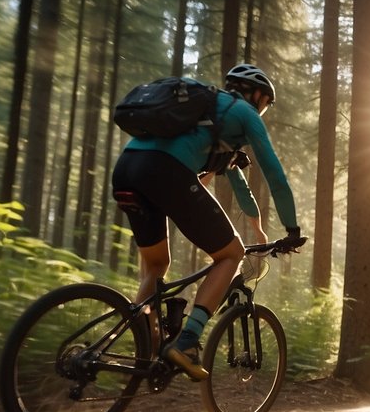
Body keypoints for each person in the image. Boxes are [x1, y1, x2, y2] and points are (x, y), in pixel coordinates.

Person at [111, 63, 304, 381]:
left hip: (127, 169)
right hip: (165, 172)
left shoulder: (207, 116)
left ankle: (146, 351)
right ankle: (186, 343)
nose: (264, 109)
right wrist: (292, 230)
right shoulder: (244, 112)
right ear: (256, 95)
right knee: (231, 254)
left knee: (156, 264)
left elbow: (240, 187)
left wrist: (256, 227)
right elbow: (274, 173)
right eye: (266, 103)